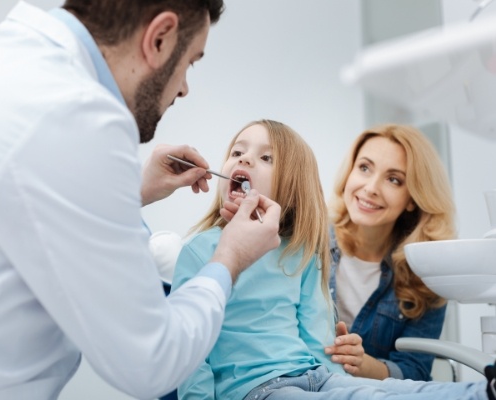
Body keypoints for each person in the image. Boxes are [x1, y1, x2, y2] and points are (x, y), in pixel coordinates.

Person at [0, 2, 281, 399]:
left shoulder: (16, 59)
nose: (183, 87)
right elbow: (151, 363)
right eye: (191, 63)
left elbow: (27, 203)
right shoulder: (79, 118)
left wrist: (135, 188)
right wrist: (229, 259)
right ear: (159, 37)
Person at [171, 120, 496, 400]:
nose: (245, 159)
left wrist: (343, 383)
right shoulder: (200, 251)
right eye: (237, 152)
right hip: (258, 390)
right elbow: (188, 350)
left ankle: (483, 392)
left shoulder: (300, 251)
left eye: (266, 157)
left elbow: (317, 340)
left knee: (383, 393)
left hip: (314, 375)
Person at [323, 124, 457, 381]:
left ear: (412, 199)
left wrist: (364, 365)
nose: (371, 188)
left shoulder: (426, 275)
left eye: (393, 179)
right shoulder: (308, 244)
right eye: (364, 168)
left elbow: (415, 370)